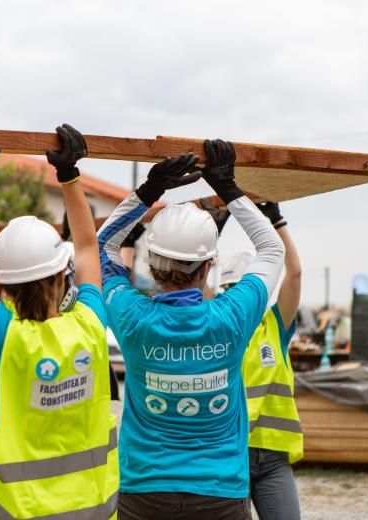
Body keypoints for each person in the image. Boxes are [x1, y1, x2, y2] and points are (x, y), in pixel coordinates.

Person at [0, 119, 118, 519]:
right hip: (90, 510)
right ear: (59, 274)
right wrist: (69, 175)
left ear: (0, 284)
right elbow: (87, 246)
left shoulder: (3, 334)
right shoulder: (89, 324)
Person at [97, 140, 285, 519]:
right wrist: (228, 188)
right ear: (208, 266)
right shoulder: (231, 317)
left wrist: (149, 192)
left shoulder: (132, 318)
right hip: (220, 493)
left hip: (144, 491)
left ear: (151, 264)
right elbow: (271, 250)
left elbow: (103, 245)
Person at [235, 203, 303, 520]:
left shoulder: (273, 327)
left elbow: (295, 273)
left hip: (274, 458)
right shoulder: (219, 330)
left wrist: (277, 221)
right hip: (232, 454)